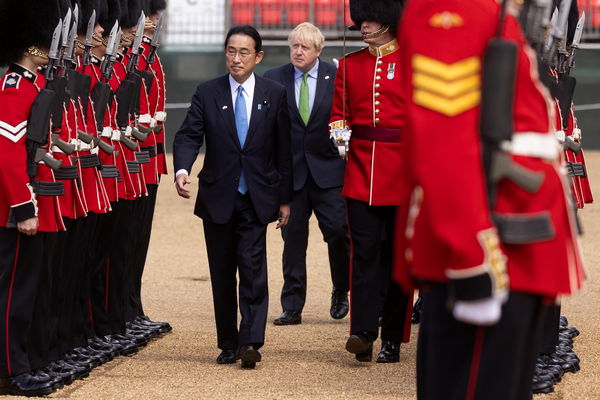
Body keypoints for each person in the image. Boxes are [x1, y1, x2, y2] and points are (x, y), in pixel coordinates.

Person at [393, 0, 585, 398]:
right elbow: (442, 140)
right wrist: (470, 259)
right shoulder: (451, 11)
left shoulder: (489, 11)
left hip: (517, 241)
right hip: (492, 249)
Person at [173, 25, 292, 369]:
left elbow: (284, 150)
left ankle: (251, 340)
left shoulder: (275, 93)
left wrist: (285, 199)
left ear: (258, 57)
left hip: (256, 195)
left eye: (243, 52)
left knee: (253, 270)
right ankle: (228, 342)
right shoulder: (207, 92)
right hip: (218, 196)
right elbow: (187, 135)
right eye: (230, 51)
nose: (236, 58)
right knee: (222, 271)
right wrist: (182, 170)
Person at [329, 0, 412, 364]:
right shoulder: (350, 65)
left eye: (370, 18)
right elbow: (338, 114)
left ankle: (393, 336)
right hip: (361, 173)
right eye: (360, 19)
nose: (362, 25)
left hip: (402, 174)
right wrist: (339, 134)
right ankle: (363, 332)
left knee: (397, 259)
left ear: (389, 21)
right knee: (363, 255)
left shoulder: (410, 62)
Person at [264, 22, 349, 326]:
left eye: (305, 47)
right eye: (294, 46)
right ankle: (292, 305)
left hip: (329, 171)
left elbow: (346, 116)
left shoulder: (337, 75)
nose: (298, 52)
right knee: (293, 239)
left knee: (339, 232)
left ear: (318, 50)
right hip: (292, 175)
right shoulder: (274, 78)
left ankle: (341, 289)